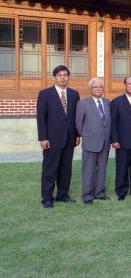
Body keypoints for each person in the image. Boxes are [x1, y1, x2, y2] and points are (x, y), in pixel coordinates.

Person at [36, 65, 80, 208]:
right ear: (54, 77)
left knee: (66, 169)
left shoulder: (74, 94)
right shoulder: (45, 94)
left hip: (69, 138)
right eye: (60, 75)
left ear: (68, 77)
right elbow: (41, 118)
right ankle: (47, 198)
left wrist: (77, 134)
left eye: (65, 75)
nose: (63, 77)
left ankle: (62, 195)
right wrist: (43, 138)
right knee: (50, 169)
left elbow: (75, 117)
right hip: (52, 139)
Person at [75, 77, 111, 204]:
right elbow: (79, 123)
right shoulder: (83, 103)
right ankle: (87, 195)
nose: (98, 89)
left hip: (105, 142)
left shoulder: (107, 102)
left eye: (100, 86)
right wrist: (85, 135)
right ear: (90, 89)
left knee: (102, 169)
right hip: (90, 141)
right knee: (88, 169)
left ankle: (99, 193)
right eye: (95, 87)